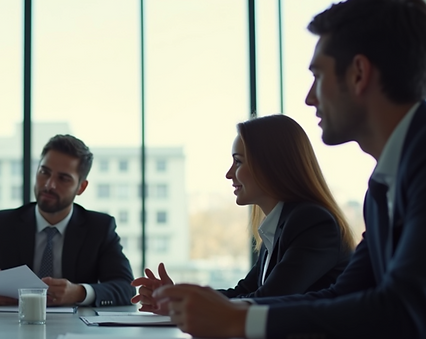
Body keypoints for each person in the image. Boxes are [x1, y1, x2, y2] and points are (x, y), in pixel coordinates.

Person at [154, 0, 426, 339]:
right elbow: (344, 295)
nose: (310, 98)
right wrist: (228, 310)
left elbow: (402, 311)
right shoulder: (384, 184)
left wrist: (239, 321)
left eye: (318, 75)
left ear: (358, 74)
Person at [132, 114, 355, 311]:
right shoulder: (279, 226)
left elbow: (269, 299)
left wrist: (183, 300)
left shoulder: (312, 222)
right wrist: (175, 295)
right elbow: (245, 291)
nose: (229, 174)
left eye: (238, 162)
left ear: (271, 165)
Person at [0, 134, 135, 307]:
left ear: (81, 187)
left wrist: (79, 292)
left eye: (63, 178)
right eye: (44, 172)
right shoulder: (3, 224)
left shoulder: (99, 228)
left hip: (77, 331)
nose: (49, 184)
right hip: (11, 328)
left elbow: (126, 288)